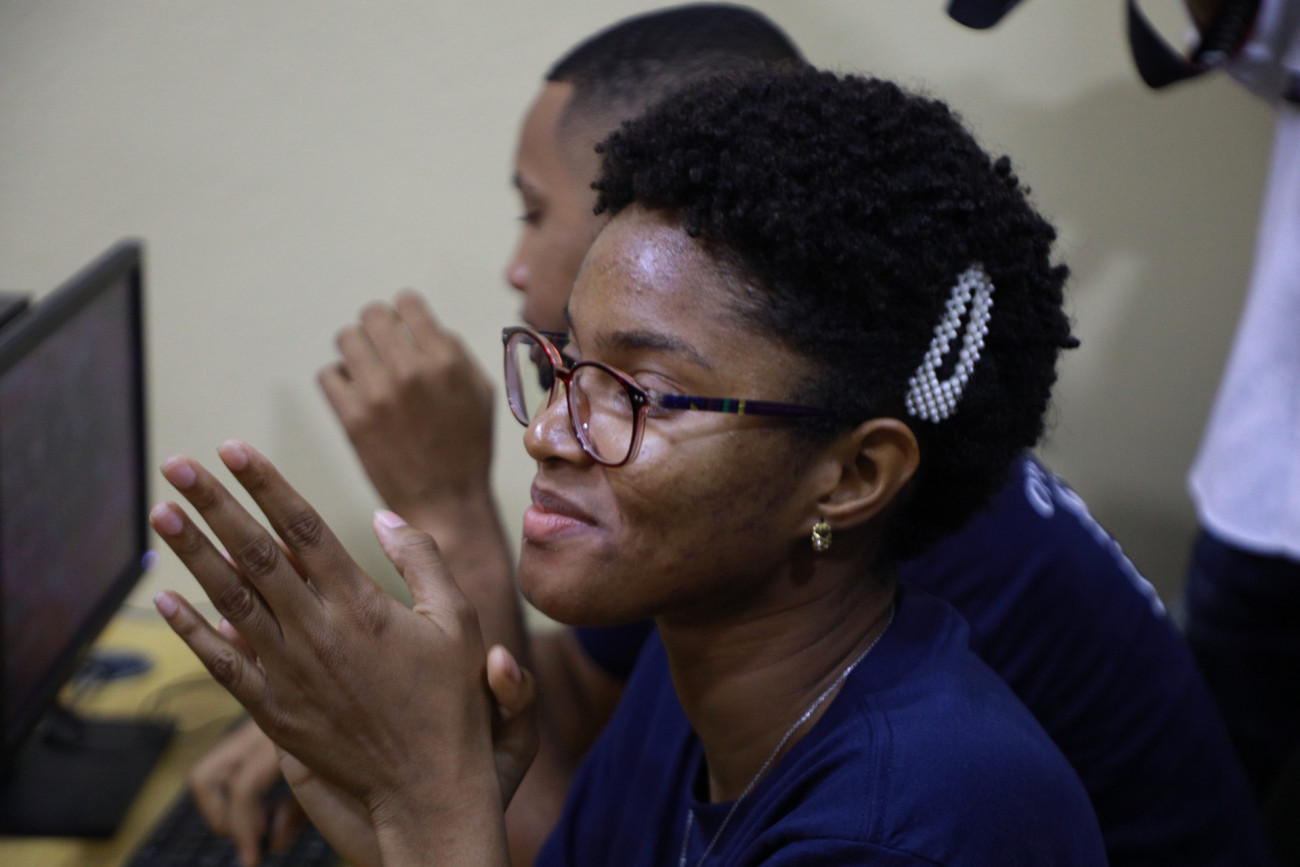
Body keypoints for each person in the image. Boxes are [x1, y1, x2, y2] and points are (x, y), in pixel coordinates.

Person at [188, 6, 1269, 866]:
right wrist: (397, 777)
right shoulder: (706, 652)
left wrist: (431, 810)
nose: (549, 432)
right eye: (566, 366)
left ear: (852, 477)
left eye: (646, 393)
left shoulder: (910, 827)